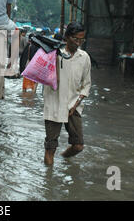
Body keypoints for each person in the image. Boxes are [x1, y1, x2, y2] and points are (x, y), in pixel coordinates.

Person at [43, 22, 91, 165]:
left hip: (73, 105)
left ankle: (63, 159)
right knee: (51, 147)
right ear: (67, 38)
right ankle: (49, 179)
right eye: (76, 39)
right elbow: (42, 77)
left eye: (81, 40)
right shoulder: (55, 55)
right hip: (54, 103)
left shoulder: (84, 57)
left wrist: (76, 104)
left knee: (78, 146)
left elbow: (86, 84)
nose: (78, 43)